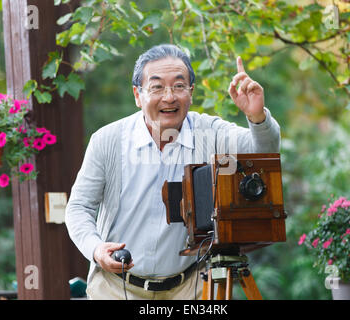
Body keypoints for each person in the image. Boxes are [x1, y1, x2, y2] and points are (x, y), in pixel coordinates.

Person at [65, 44, 281, 300]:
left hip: (190, 286)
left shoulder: (208, 132)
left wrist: (257, 116)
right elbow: (79, 207)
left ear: (191, 92)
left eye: (179, 86)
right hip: (115, 288)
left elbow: (263, 153)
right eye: (156, 87)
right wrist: (96, 248)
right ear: (137, 94)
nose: (169, 97)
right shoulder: (108, 140)